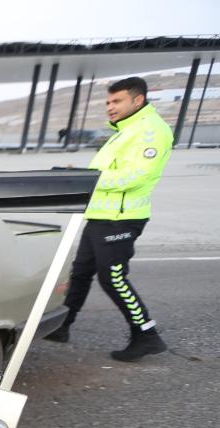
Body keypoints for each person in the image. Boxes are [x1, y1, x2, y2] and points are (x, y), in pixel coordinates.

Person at [45, 76, 170, 362]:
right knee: (80, 273)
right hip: (101, 215)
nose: (110, 107)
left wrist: (87, 179)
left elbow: (138, 175)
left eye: (117, 101)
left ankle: (146, 334)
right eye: (108, 102)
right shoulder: (126, 130)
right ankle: (63, 326)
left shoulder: (151, 131)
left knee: (113, 278)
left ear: (137, 100)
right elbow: (108, 171)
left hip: (121, 219)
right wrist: (77, 174)